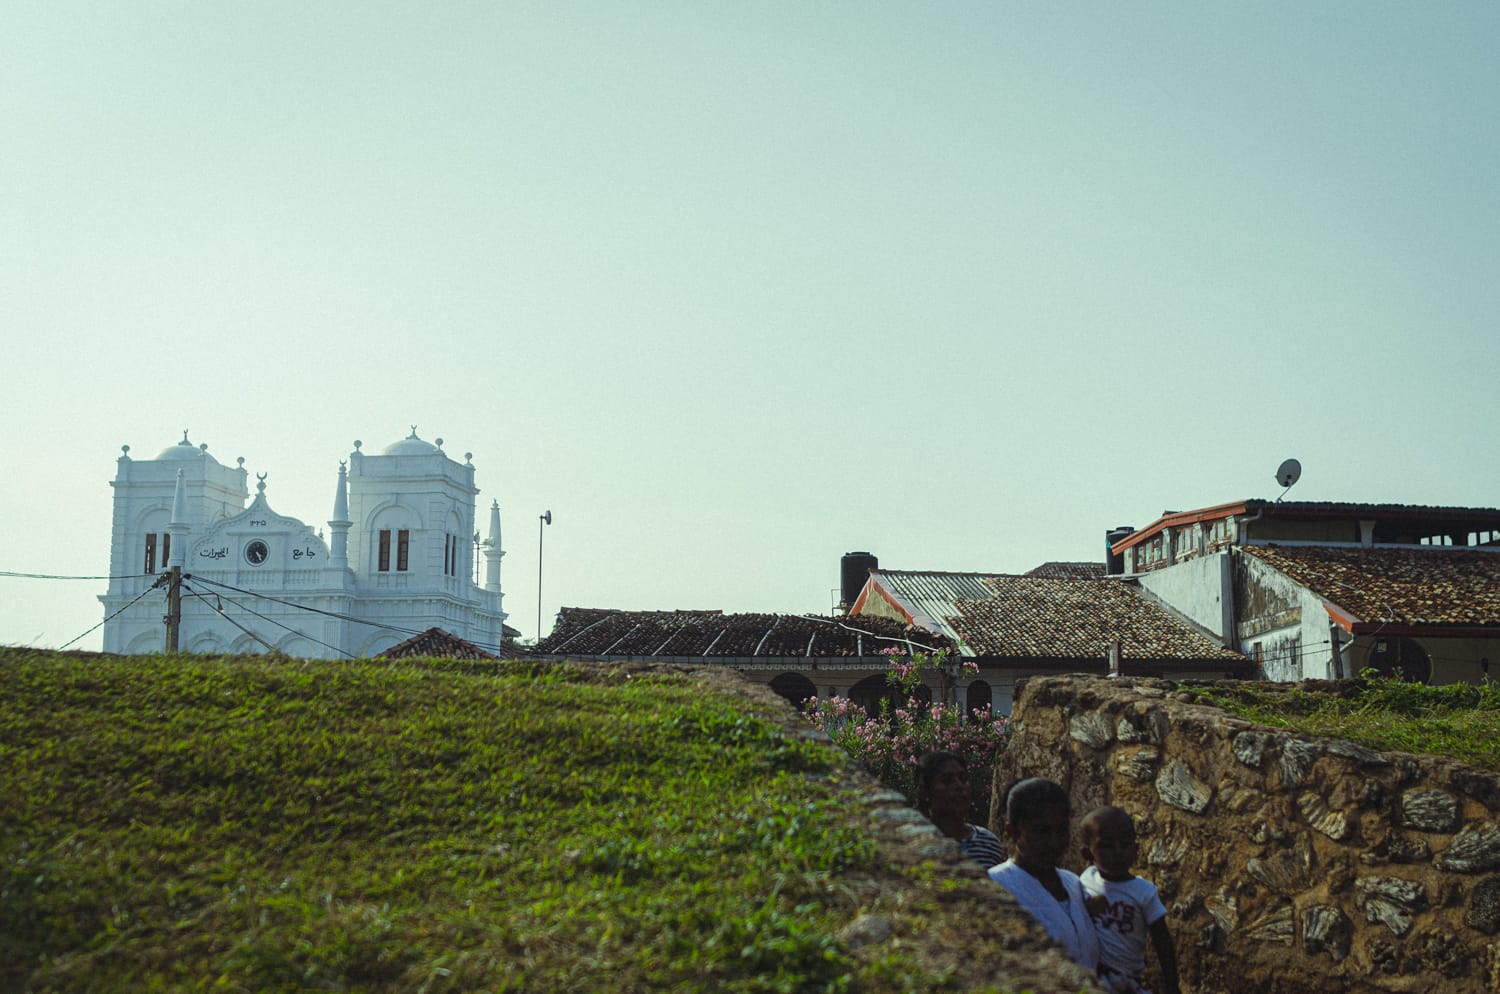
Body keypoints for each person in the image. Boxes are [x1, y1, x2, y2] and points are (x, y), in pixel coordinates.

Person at [988, 777, 1100, 972]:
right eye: (1042, 831)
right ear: (1012, 832)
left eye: (1061, 830)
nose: (1053, 842)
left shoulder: (1073, 884)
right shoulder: (996, 888)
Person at [1079, 806, 1180, 994]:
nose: (1118, 852)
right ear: (1088, 854)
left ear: (1135, 850)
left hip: (1125, 981)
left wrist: (1172, 985)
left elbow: (1162, 940)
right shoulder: (1085, 881)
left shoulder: (1143, 892)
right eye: (1106, 846)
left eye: (1125, 845)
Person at [914, 750, 1006, 867]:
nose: (959, 786)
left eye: (963, 779)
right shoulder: (912, 844)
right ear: (925, 792)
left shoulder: (988, 843)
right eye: (947, 780)